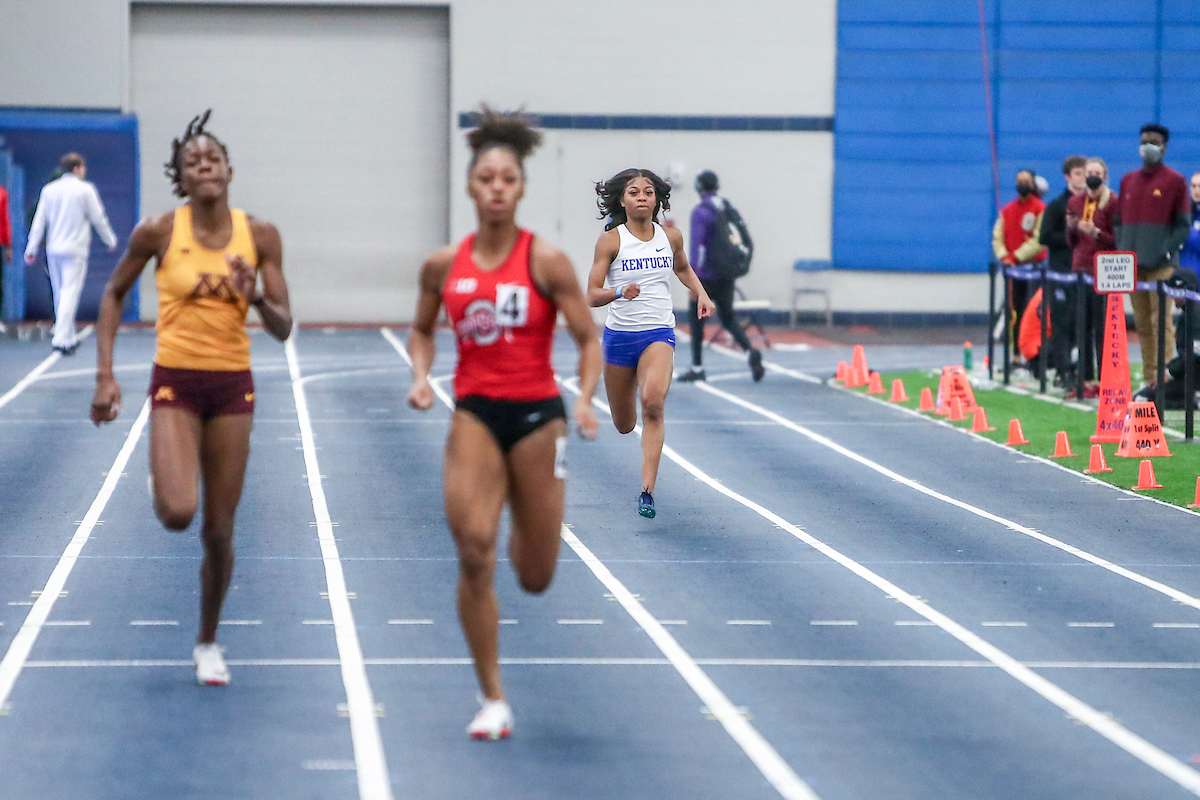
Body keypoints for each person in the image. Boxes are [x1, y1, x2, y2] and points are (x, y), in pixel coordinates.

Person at [406, 108, 601, 741]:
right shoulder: (444, 265)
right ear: (469, 186)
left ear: (520, 190)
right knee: (472, 551)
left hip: (540, 419)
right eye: (485, 177)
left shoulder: (546, 261)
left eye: (507, 179)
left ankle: (526, 508)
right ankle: (492, 697)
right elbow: (419, 329)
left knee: (535, 577)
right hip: (476, 413)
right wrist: (420, 375)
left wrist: (587, 400)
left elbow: (587, 337)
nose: (495, 187)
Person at [90, 111, 293, 686]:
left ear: (229, 169)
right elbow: (112, 294)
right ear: (181, 177)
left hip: (231, 385)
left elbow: (284, 327)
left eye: (213, 158)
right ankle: (165, 471)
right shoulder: (158, 231)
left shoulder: (261, 236)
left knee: (219, 531)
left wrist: (255, 297)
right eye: (192, 161)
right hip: (176, 380)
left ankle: (207, 640)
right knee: (180, 513)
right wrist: (106, 376)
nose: (204, 166)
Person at [588, 168, 715, 519]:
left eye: (647, 191)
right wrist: (618, 292)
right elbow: (591, 295)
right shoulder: (611, 241)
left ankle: (647, 491)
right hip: (619, 339)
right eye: (633, 192)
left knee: (653, 404)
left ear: (657, 199)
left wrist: (701, 294)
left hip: (658, 332)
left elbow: (683, 269)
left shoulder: (671, 237)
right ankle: (629, 424)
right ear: (622, 201)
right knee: (625, 424)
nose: (641, 197)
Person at [1114, 122, 1192, 388]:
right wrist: (1123, 247)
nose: (1149, 146)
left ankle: (1166, 376)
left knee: (1161, 322)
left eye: (1155, 142)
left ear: (1164, 147)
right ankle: (1150, 379)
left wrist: (1165, 249)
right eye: (1145, 140)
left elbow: (1183, 223)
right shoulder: (1127, 180)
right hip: (1133, 265)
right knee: (1143, 324)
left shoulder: (1175, 181)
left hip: (1161, 265)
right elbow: (1117, 220)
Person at [24, 153, 118, 354]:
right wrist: (110, 239)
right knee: (70, 292)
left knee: (60, 294)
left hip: (54, 249)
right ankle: (60, 337)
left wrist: (31, 248)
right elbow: (98, 217)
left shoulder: (49, 190)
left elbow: (40, 221)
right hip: (75, 249)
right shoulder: (85, 190)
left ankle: (67, 338)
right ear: (76, 168)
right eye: (83, 167)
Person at [677, 170, 764, 383]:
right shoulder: (726, 206)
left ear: (699, 188)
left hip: (706, 276)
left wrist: (693, 280)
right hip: (727, 273)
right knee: (728, 318)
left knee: (697, 322)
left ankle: (697, 367)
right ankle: (749, 350)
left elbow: (697, 248)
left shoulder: (701, 212)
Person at [1065, 158, 1118, 397]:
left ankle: (1105, 379)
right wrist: (1071, 227)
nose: (1093, 176)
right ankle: (1085, 380)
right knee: (1081, 325)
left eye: (1097, 172)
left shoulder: (1112, 202)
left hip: (1103, 270)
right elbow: (1072, 243)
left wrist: (1096, 232)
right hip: (1081, 268)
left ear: (1105, 176)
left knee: (1102, 327)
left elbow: (1117, 239)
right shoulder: (1076, 201)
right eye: (1089, 172)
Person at [1039, 155, 1088, 382]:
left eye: (1085, 173)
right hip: (1061, 271)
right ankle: (1063, 370)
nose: (1082, 178)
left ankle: (1085, 370)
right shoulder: (1058, 206)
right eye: (1078, 173)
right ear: (1068, 176)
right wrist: (1073, 236)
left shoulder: (1092, 204)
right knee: (1062, 322)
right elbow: (1045, 236)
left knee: (1084, 323)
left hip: (1085, 274)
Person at [993, 169, 1048, 336]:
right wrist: (1004, 256)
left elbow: (1040, 240)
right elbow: (997, 237)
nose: (1023, 185)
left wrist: (1016, 256)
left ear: (1033, 184)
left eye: (1026, 181)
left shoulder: (1040, 209)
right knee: (1015, 308)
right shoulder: (1007, 210)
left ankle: (1034, 349)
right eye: (1020, 181)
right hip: (1013, 268)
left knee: (1033, 309)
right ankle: (1015, 351)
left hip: (1035, 267)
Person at [1180, 172, 1200, 272]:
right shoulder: (1183, 213)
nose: (1197, 190)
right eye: (1193, 186)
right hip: (1183, 269)